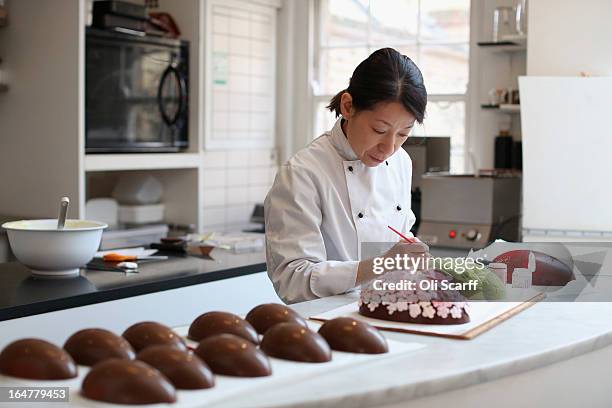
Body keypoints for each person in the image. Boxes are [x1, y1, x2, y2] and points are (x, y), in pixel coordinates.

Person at [265, 48, 429, 303]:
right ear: (348, 106)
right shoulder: (303, 173)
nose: (389, 148)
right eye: (379, 129)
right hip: (325, 324)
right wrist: (378, 265)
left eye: (403, 134)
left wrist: (409, 257)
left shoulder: (401, 162)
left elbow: (398, 244)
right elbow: (292, 279)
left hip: (387, 312)